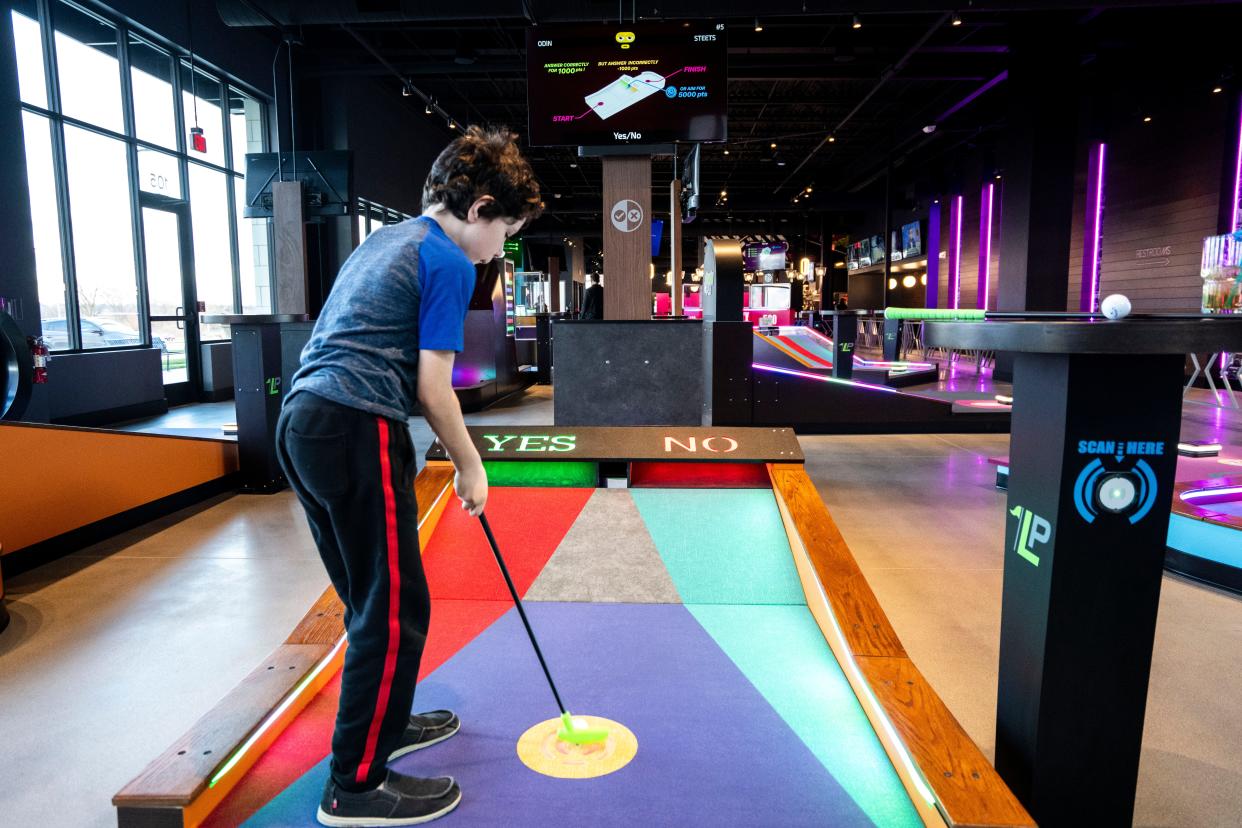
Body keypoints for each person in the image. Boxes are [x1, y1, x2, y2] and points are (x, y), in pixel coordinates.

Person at [276, 126, 542, 827]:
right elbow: (433, 387)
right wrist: (472, 463)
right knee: (395, 612)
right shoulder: (449, 259)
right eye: (505, 232)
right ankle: (355, 785)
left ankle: (383, 725)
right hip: (357, 425)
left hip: (303, 420)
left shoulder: (383, 241)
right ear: (481, 208)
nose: (498, 251)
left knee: (371, 602)